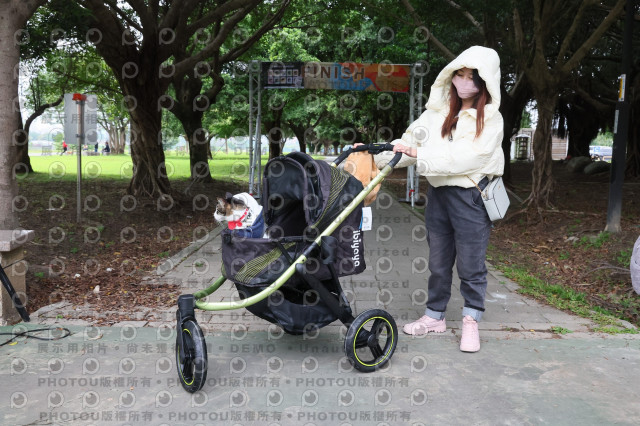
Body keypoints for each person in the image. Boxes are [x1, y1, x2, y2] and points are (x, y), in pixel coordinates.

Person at [373, 46, 504, 352]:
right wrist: (372, 153)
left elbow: (468, 157)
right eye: (460, 74)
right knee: (438, 262)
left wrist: (419, 153)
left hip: (471, 196)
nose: (464, 81)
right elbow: (408, 143)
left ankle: (471, 320)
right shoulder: (435, 113)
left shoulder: (491, 119)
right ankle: (434, 316)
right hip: (438, 195)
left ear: (485, 81)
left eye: (472, 76)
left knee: (471, 264)